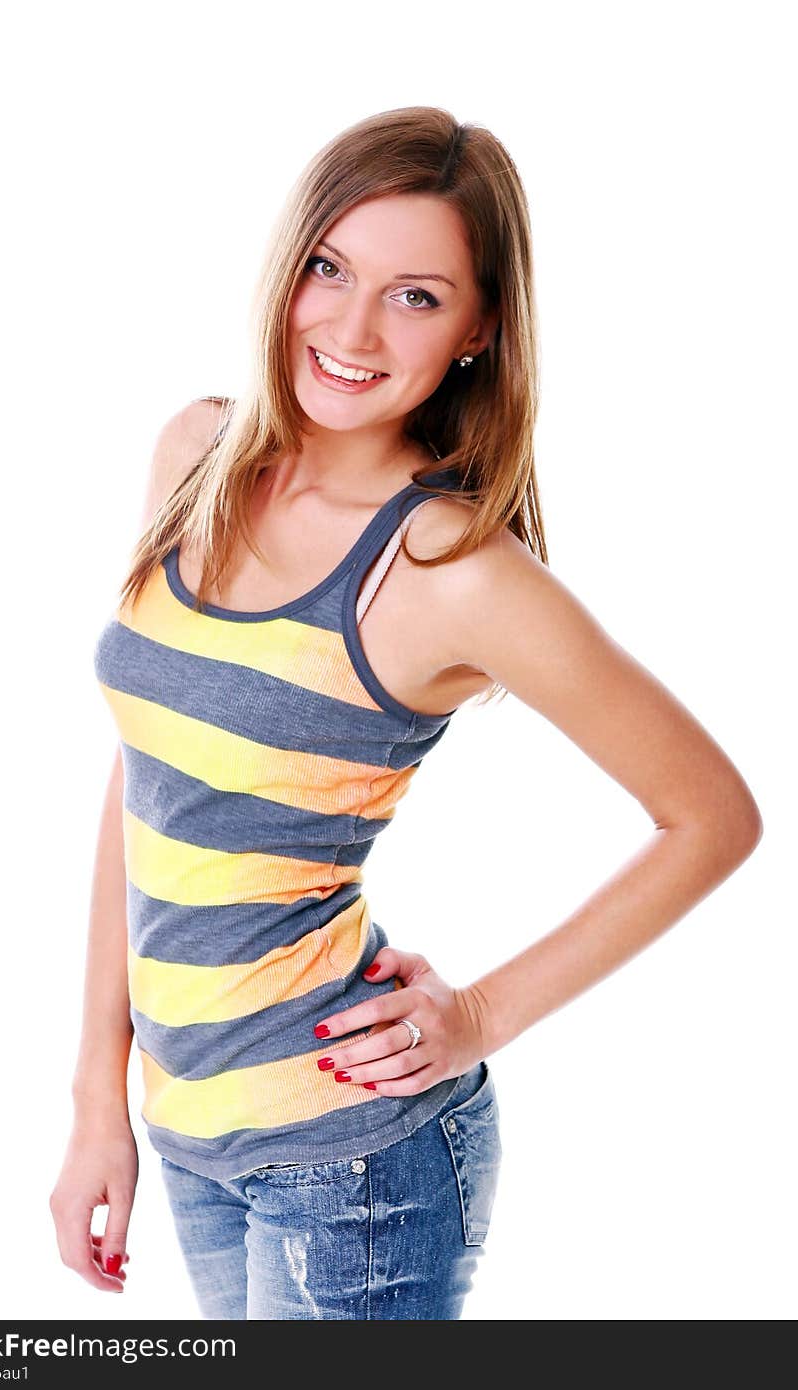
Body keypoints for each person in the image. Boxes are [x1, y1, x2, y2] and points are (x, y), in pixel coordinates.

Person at [49, 105, 763, 1320]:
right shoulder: (196, 454)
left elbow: (711, 815)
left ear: (480, 326)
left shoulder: (455, 569)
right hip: (190, 1137)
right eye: (328, 267)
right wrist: (94, 1104)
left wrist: (479, 1013)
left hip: (353, 1160)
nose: (352, 326)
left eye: (416, 295)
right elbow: (151, 772)